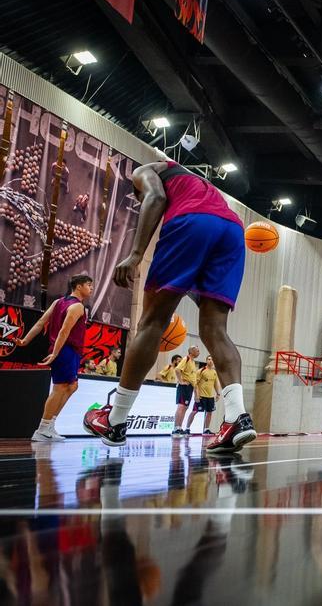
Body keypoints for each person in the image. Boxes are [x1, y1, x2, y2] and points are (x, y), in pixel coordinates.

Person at [82, 160, 256, 454]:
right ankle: (237, 417)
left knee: (151, 323)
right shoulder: (198, 184)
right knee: (215, 330)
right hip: (232, 230)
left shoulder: (143, 172)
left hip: (192, 222)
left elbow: (156, 197)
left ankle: (115, 420)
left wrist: (136, 254)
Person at [17, 273, 93, 441]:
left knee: (72, 386)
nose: (91, 288)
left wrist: (25, 340)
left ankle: (50, 425)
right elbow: (64, 331)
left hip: (68, 350)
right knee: (60, 388)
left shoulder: (58, 302)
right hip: (65, 349)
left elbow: (40, 323)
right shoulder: (77, 306)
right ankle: (42, 429)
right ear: (78, 286)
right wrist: (56, 353)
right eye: (89, 285)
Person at [186, 356, 220, 434]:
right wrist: (196, 395)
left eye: (212, 359)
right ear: (206, 360)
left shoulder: (214, 372)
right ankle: (187, 428)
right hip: (201, 396)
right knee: (194, 411)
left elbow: (215, 383)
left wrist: (218, 393)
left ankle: (206, 429)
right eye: (209, 359)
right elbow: (195, 384)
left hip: (210, 397)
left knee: (209, 412)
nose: (210, 361)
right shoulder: (201, 371)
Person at [172, 346, 201, 436]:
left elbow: (193, 379)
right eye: (197, 350)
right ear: (191, 351)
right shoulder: (186, 359)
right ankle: (176, 428)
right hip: (184, 387)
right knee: (181, 406)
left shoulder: (193, 362)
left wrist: (196, 393)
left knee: (185, 408)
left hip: (190, 387)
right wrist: (181, 381)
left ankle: (179, 427)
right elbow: (177, 369)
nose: (199, 352)